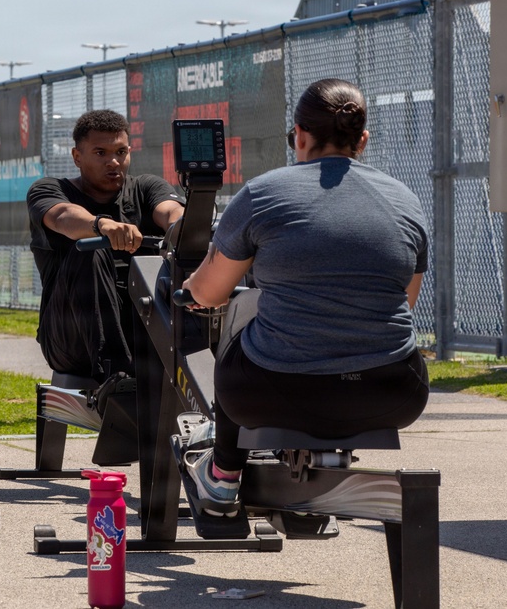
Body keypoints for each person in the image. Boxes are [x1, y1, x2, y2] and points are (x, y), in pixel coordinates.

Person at [181, 78, 430, 517]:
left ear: (299, 134)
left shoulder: (264, 193)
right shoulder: (405, 201)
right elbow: (404, 304)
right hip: (394, 393)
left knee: (244, 316)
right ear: (363, 140)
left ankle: (221, 477)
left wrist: (188, 292)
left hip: (275, 393)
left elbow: (210, 291)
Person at [27, 109, 184, 385]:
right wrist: (103, 226)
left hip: (144, 330)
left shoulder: (145, 188)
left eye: (121, 151)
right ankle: (117, 379)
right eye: (100, 153)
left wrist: (183, 225)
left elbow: (171, 211)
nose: (114, 162)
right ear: (77, 157)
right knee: (89, 248)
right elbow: (63, 216)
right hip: (71, 337)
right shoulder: (49, 189)